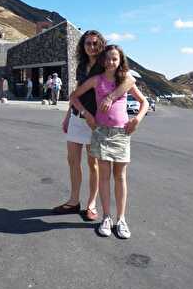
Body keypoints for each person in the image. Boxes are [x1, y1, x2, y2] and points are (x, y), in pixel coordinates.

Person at [53, 30, 135, 221]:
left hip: (96, 123)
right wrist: (68, 116)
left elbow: (129, 79)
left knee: (94, 164)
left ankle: (91, 204)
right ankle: (74, 201)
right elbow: (76, 93)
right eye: (87, 43)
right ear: (83, 46)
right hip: (78, 116)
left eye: (95, 43)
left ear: (101, 44)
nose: (91, 47)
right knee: (72, 160)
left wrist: (111, 97)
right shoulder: (81, 66)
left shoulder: (106, 62)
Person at [70, 45, 148, 238]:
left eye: (115, 59)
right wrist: (86, 114)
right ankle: (106, 217)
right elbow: (74, 96)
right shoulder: (96, 80)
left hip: (121, 133)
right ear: (102, 61)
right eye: (107, 59)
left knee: (120, 176)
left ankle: (121, 219)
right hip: (101, 132)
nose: (111, 62)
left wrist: (137, 119)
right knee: (104, 176)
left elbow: (144, 102)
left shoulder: (127, 81)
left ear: (121, 61)